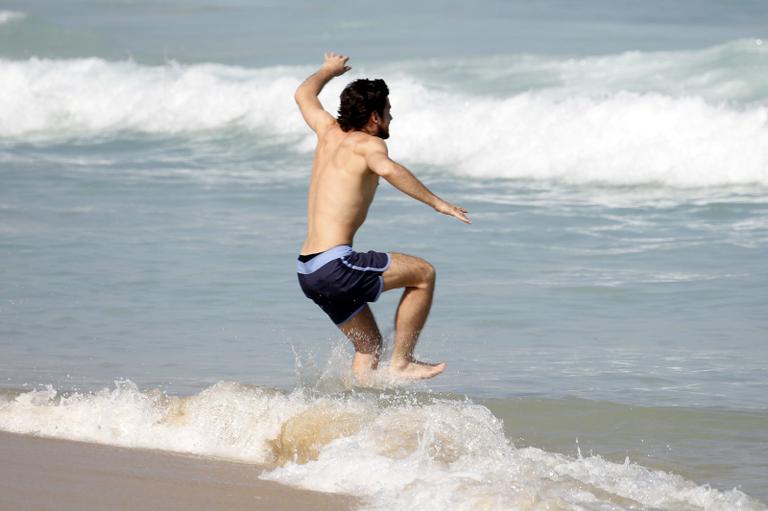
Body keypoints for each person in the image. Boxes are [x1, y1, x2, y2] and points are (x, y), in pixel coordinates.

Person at [294, 52, 470, 382]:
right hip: (335, 266)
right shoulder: (369, 145)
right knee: (423, 274)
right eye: (388, 112)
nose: (391, 118)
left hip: (308, 269)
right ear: (374, 118)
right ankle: (403, 362)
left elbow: (303, 94)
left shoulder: (326, 130)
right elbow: (388, 170)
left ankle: (355, 410)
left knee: (369, 347)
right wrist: (437, 203)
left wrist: (328, 70)